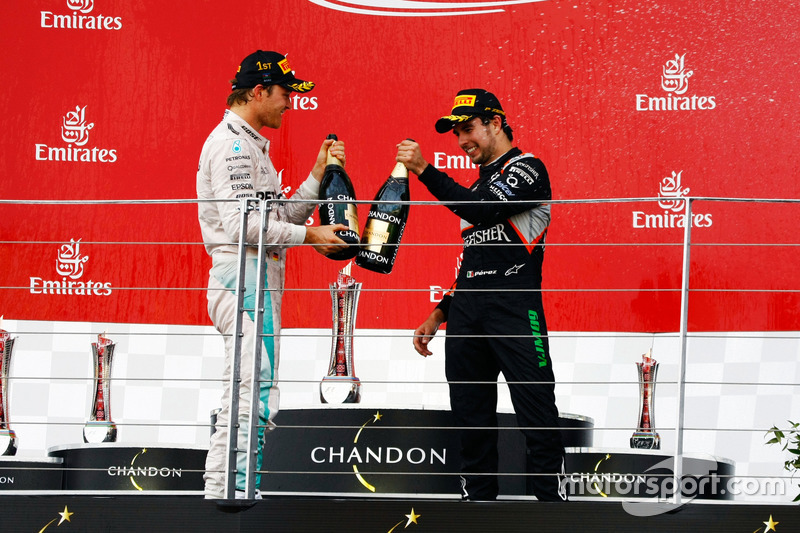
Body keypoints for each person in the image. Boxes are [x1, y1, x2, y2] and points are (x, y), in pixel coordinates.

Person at [397, 89, 567, 502]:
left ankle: (552, 515)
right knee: (471, 423)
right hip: (469, 312)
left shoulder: (527, 169)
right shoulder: (476, 186)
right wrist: (440, 313)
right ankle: (478, 511)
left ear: (495, 123)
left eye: (469, 129)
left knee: (537, 414)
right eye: (457, 133)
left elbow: (485, 210)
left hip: (514, 305)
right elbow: (471, 263)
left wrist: (423, 169)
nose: (462, 141)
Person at [196, 50, 347, 499]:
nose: (289, 104)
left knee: (256, 385)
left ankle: (240, 486)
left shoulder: (250, 144)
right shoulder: (233, 146)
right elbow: (244, 226)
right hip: (240, 278)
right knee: (248, 384)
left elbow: (277, 216)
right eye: (284, 94)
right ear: (258, 92)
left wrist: (318, 176)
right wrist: (312, 236)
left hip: (255, 277)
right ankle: (226, 488)